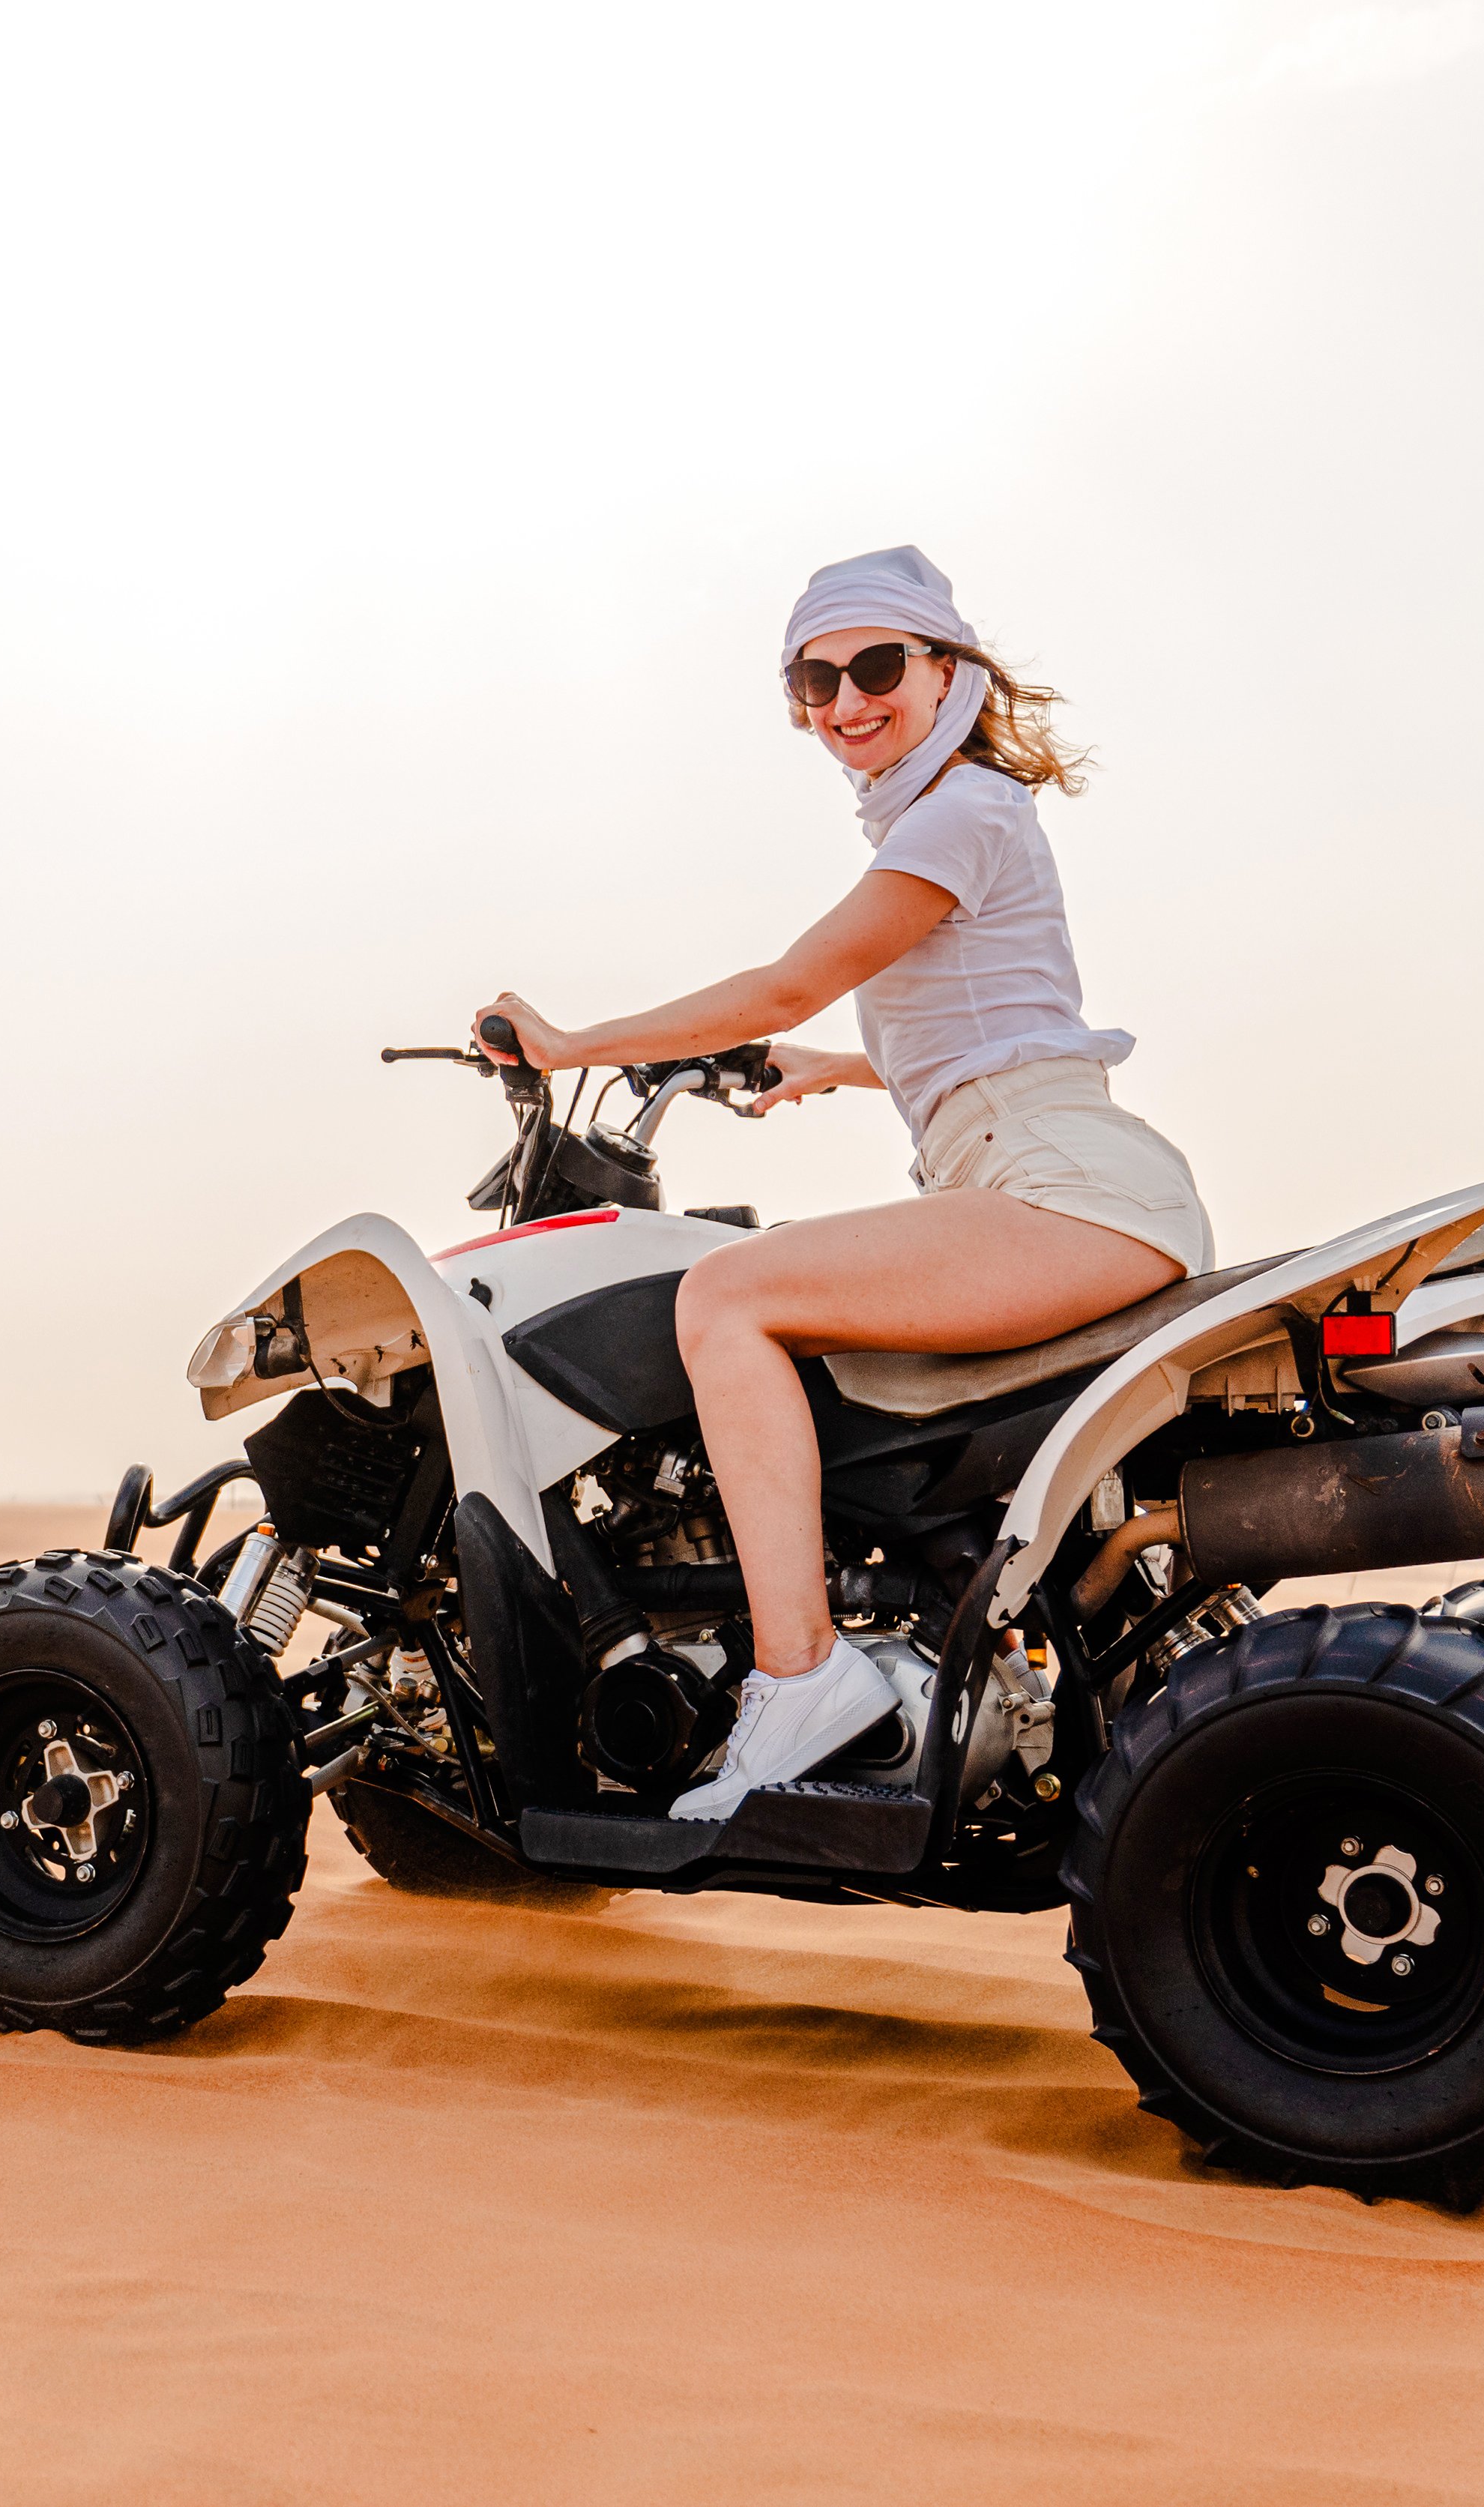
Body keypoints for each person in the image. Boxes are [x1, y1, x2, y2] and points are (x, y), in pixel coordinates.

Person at [473, 546, 1211, 1823]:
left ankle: (799, 1676)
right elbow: (999, 1024)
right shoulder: (956, 817)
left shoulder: (956, 811)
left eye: (874, 666)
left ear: (945, 669)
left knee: (721, 1298)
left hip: (1058, 1187)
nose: (843, 702)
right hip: (1052, 1169)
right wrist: (834, 1066)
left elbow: (782, 981)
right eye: (812, 680)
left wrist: (568, 1043)